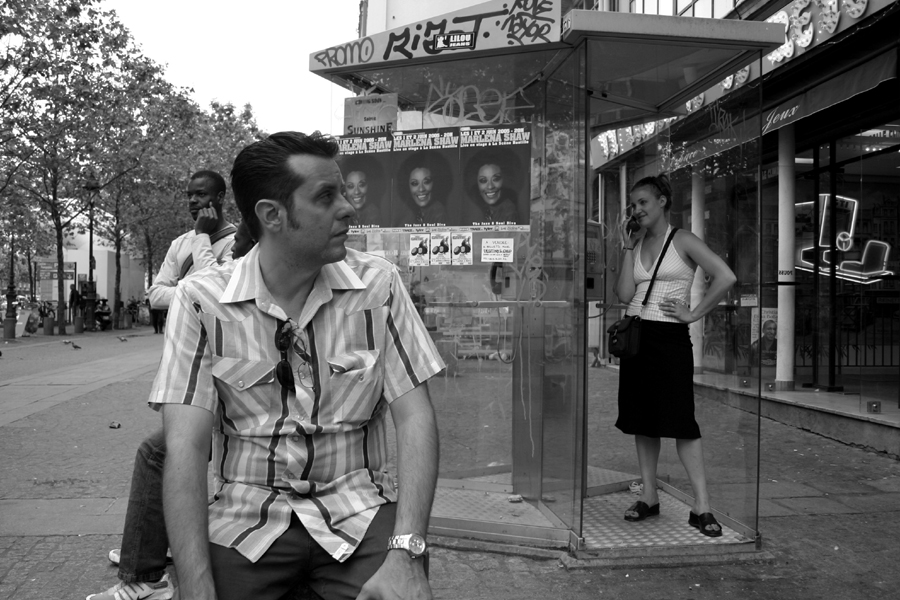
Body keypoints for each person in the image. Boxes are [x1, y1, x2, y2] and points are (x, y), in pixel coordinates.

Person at [154, 131, 443, 600]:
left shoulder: (379, 286)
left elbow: (416, 418)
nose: (348, 208)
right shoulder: (202, 300)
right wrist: (195, 583)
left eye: (343, 192)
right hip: (245, 516)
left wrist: (407, 553)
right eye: (327, 196)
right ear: (272, 215)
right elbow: (184, 446)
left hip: (360, 508)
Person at [88, 170, 236, 600]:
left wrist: (202, 249)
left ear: (221, 196)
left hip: (226, 372)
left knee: (160, 452)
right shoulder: (178, 244)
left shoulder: (240, 243)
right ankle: (154, 550)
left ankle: (144, 572)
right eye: (189, 195)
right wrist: (190, 288)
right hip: (190, 369)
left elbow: (219, 297)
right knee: (166, 453)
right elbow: (156, 294)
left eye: (201, 195)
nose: (193, 202)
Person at [613, 173, 736, 538]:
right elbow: (623, 294)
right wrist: (625, 247)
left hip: (669, 339)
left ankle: (702, 505)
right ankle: (649, 496)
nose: (637, 210)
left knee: (682, 421)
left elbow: (725, 276)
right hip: (636, 338)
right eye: (633, 205)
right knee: (642, 420)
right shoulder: (636, 242)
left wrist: (694, 313)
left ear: (663, 201)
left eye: (643, 203)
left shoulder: (681, 239)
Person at [393, 154, 449, 227]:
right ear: (407, 186)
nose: (421, 189)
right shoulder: (407, 212)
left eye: (426, 182)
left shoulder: (438, 214)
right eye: (415, 183)